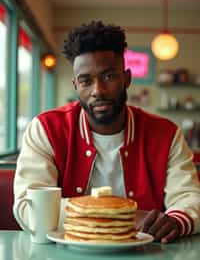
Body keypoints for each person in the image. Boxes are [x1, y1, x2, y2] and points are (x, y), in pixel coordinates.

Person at [13, 21, 200, 243]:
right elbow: (29, 207)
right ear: (75, 85)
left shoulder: (166, 134)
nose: (98, 90)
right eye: (86, 81)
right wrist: (125, 218)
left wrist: (176, 221)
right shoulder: (45, 129)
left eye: (109, 76)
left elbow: (189, 197)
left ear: (127, 78)